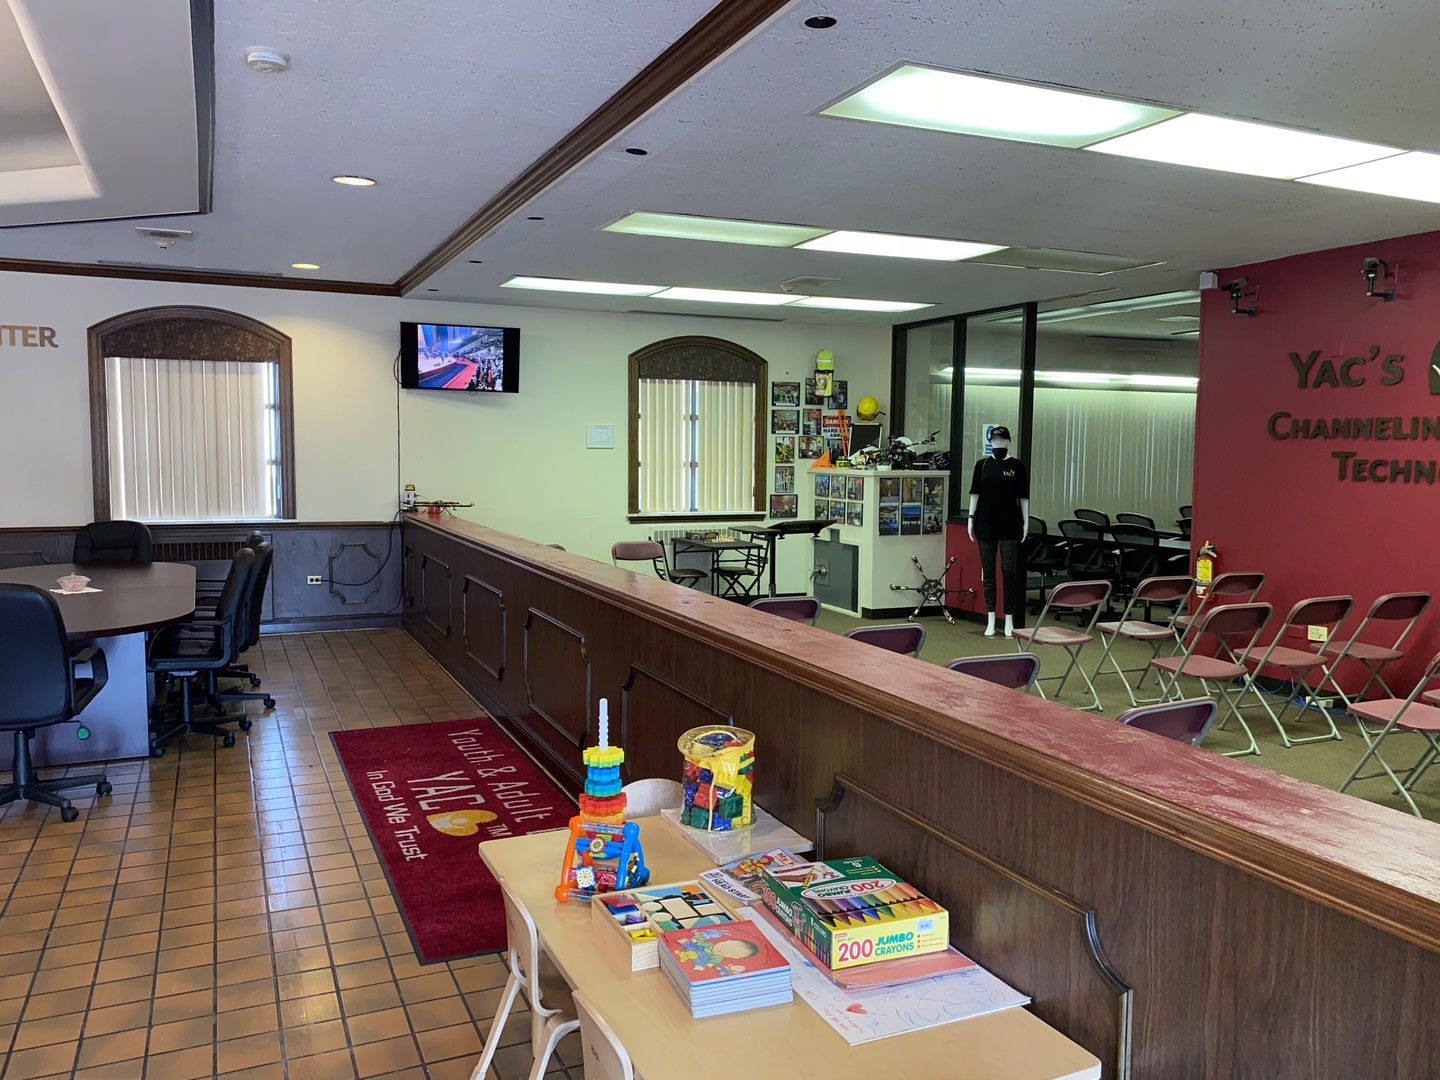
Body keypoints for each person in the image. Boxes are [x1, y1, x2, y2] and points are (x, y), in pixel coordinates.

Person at [967, 426, 1029, 637]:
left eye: (1001, 440)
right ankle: (991, 618)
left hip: (1010, 525)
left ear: (1009, 442)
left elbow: (1023, 498)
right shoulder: (982, 465)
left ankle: (1009, 618)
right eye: (994, 440)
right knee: (988, 573)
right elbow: (975, 494)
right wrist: (970, 519)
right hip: (985, 525)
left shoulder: (1017, 466)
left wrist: (1026, 523)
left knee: (1009, 572)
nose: (998, 443)